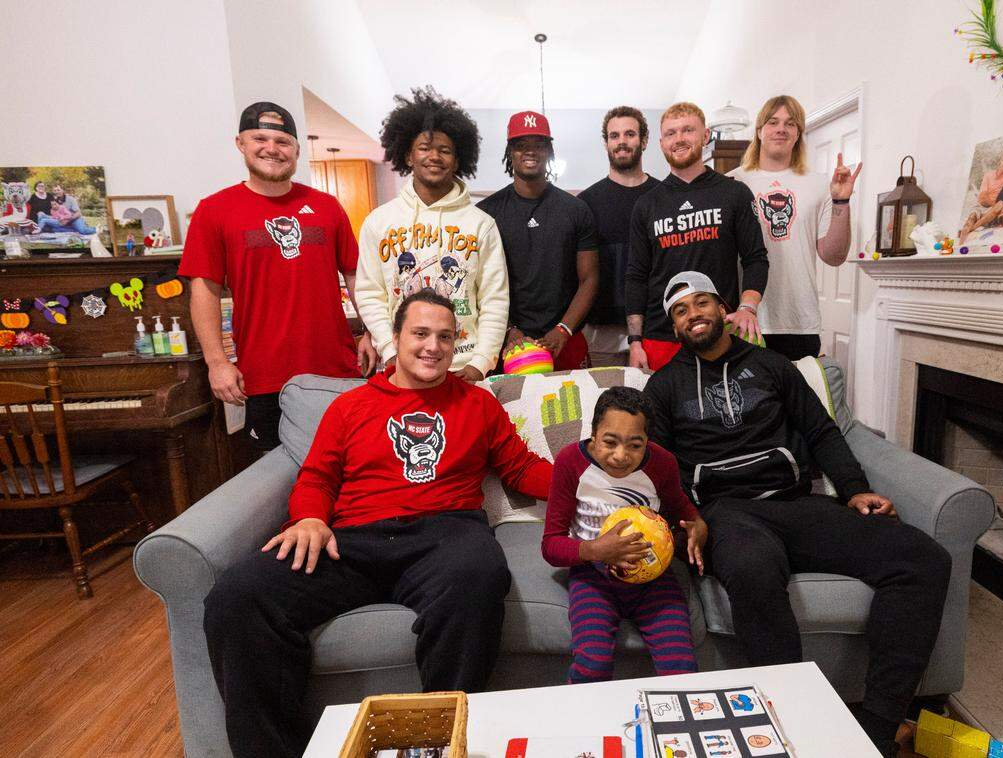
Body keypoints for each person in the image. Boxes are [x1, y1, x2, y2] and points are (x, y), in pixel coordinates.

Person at [203, 289, 554, 758]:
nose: (433, 346)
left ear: (457, 344)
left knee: (480, 575)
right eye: (421, 334)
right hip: (350, 540)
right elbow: (317, 477)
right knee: (237, 595)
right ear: (396, 338)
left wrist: (593, 479)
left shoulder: (479, 404)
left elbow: (521, 469)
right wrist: (308, 517)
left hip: (445, 534)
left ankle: (439, 744)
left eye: (445, 337)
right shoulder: (350, 406)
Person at [643, 271, 952, 758]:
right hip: (726, 514)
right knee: (751, 569)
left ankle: (875, 730)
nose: (693, 315)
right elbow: (658, 468)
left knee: (923, 558)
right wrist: (689, 520)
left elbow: (823, 432)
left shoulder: (774, 367)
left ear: (723, 308)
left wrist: (854, 490)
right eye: (680, 311)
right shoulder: (662, 388)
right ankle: (792, 729)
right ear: (674, 327)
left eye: (701, 303)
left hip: (796, 503)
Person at [179, 101, 377, 450]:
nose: (272, 148)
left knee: (354, 466)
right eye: (260, 138)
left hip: (337, 371)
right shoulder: (214, 210)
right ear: (241, 143)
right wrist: (217, 362)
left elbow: (354, 274)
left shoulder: (327, 206)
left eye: (283, 141)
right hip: (265, 375)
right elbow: (204, 291)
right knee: (280, 478)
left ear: (297, 150)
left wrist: (372, 332)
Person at [541, 386, 707, 683]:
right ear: (593, 434)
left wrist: (698, 526)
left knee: (681, 668)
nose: (621, 455)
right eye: (610, 442)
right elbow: (551, 545)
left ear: (647, 442)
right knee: (592, 666)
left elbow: (686, 513)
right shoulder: (570, 462)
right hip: (593, 577)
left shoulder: (662, 463)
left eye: (635, 445)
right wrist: (596, 551)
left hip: (654, 579)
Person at [356, 87, 509, 383]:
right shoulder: (379, 222)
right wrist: (390, 351)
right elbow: (370, 293)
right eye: (425, 148)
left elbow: (495, 299)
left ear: (457, 159)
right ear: (409, 156)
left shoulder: (482, 224)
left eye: (445, 150)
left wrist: (480, 363)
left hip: (464, 366)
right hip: (402, 368)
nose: (434, 156)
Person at [625, 102, 767, 371]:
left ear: (705, 136)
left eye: (687, 130)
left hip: (719, 331)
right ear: (661, 142)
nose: (679, 139)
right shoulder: (646, 205)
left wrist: (748, 308)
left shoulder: (734, 194)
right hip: (661, 336)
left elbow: (756, 258)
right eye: (670, 133)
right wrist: (635, 341)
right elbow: (636, 275)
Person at [729, 95, 861, 361]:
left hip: (799, 321)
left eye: (790, 123)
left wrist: (841, 200)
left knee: (796, 401)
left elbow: (833, 256)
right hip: (744, 318)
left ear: (799, 132)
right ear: (759, 130)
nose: (781, 129)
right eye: (773, 122)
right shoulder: (733, 182)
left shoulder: (819, 183)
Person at [477, 110, 599, 371]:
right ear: (510, 152)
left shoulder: (576, 209)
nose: (530, 152)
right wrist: (507, 329)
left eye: (539, 145)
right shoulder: (486, 212)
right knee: (512, 412)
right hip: (509, 343)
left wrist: (563, 329)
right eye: (521, 145)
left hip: (564, 337)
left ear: (550, 151)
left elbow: (589, 278)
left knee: (572, 411)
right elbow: (478, 282)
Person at [578, 106, 661, 367]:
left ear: (644, 140)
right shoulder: (586, 203)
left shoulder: (664, 197)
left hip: (656, 327)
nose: (622, 142)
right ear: (606, 144)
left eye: (630, 134)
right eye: (614, 136)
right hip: (602, 334)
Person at [957, 150, 1003, 241]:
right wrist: (993, 203)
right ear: (1001, 159)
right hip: (983, 206)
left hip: (993, 211)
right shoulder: (988, 175)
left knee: (999, 204)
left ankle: (972, 228)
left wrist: (999, 205)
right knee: (972, 216)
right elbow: (982, 197)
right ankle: (965, 231)